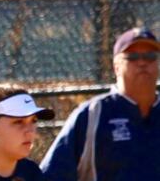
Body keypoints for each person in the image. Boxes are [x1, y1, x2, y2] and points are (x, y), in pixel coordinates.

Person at [40, 27, 160, 181]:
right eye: (132, 57)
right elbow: (52, 174)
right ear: (116, 66)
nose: (142, 62)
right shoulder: (93, 114)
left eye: (150, 56)